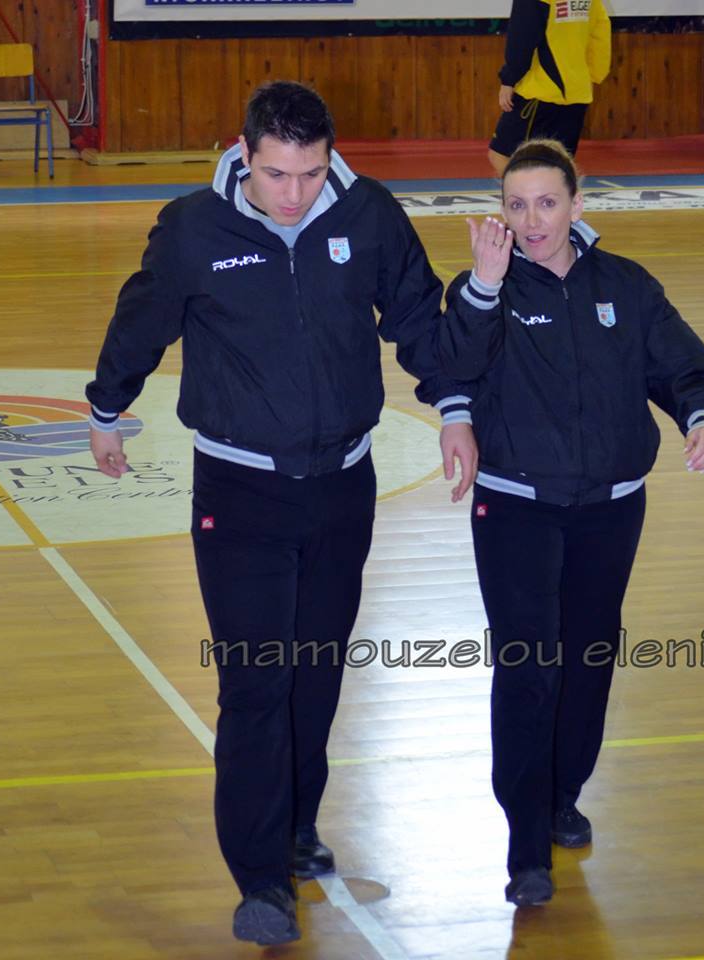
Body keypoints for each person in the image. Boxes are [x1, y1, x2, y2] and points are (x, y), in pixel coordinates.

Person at [86, 81, 477, 946]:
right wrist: (107, 407)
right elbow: (141, 319)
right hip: (239, 493)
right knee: (257, 682)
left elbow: (418, 317)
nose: (293, 195)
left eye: (309, 173)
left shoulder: (369, 216)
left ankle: (297, 825)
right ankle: (261, 880)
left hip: (342, 486)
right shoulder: (194, 229)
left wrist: (453, 409)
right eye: (274, 175)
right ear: (243, 155)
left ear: (330, 157)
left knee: (316, 671)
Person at [437, 139, 704, 907]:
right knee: (528, 665)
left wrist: (702, 417)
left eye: (546, 203)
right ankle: (524, 844)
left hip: (611, 507)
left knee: (588, 658)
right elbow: (448, 367)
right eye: (515, 205)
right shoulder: (484, 288)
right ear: (499, 213)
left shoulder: (624, 285)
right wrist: (482, 286)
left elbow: (684, 367)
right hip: (513, 507)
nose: (530, 221)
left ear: (576, 204)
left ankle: (562, 793)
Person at [489, 0, 611, 176]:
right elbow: (600, 33)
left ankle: (528, 193)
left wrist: (509, 79)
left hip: (540, 90)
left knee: (501, 155)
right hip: (577, 91)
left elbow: (522, 37)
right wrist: (592, 76)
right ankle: (557, 194)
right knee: (559, 163)